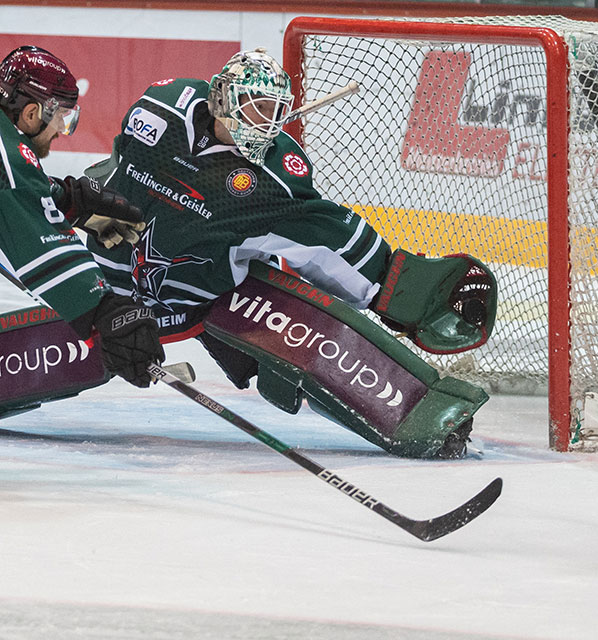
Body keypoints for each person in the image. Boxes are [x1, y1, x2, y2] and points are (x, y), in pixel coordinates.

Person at [82, 48, 497, 459]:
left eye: (275, 110)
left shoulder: (273, 181)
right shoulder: (161, 110)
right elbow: (120, 162)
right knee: (62, 327)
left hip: (207, 300)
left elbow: (324, 234)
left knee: (287, 365)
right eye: (256, 108)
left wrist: (400, 289)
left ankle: (415, 413)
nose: (268, 123)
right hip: (107, 283)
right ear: (222, 101)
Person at [0, 45, 162, 388]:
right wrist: (102, 309)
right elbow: (39, 248)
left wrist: (66, 200)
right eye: (61, 119)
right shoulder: (9, 155)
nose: (61, 130)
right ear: (31, 114)